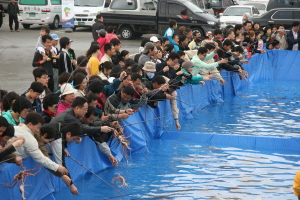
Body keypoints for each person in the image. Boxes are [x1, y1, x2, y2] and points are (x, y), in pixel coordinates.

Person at [51, 97, 118, 166]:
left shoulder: (74, 116)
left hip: (58, 143)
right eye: (85, 109)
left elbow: (93, 133)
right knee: (61, 166)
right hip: (52, 142)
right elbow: (83, 129)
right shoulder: (69, 117)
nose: (86, 111)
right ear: (77, 108)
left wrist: (109, 154)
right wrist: (100, 129)